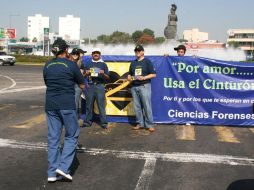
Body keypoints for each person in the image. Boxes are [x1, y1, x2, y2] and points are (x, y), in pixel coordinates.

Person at [43, 39, 85, 182]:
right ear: (66, 50)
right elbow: (82, 85)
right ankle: (63, 167)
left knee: (53, 139)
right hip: (66, 104)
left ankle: (51, 172)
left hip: (50, 105)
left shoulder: (47, 65)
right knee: (72, 135)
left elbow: (47, 82)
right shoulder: (71, 65)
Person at [127, 45, 156, 132]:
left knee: (147, 106)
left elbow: (154, 74)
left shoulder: (147, 62)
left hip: (144, 86)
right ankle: (139, 123)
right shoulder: (133, 63)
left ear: (143, 52)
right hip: (134, 87)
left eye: (139, 51)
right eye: (136, 51)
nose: (137, 52)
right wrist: (129, 77)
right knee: (137, 107)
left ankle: (150, 125)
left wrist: (144, 77)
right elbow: (130, 74)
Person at [83, 48, 109, 129]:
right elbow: (83, 76)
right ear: (92, 54)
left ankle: (104, 123)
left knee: (101, 105)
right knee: (89, 105)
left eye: (97, 53)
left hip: (100, 85)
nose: (96, 54)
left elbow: (108, 78)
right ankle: (87, 122)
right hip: (90, 85)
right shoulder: (88, 63)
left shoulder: (103, 64)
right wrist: (86, 73)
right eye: (94, 53)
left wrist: (103, 73)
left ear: (100, 54)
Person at [70, 48, 87, 117]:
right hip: (70, 84)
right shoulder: (69, 61)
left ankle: (74, 116)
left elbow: (81, 74)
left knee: (75, 101)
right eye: (82, 53)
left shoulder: (81, 63)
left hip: (77, 84)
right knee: (72, 100)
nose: (83, 55)